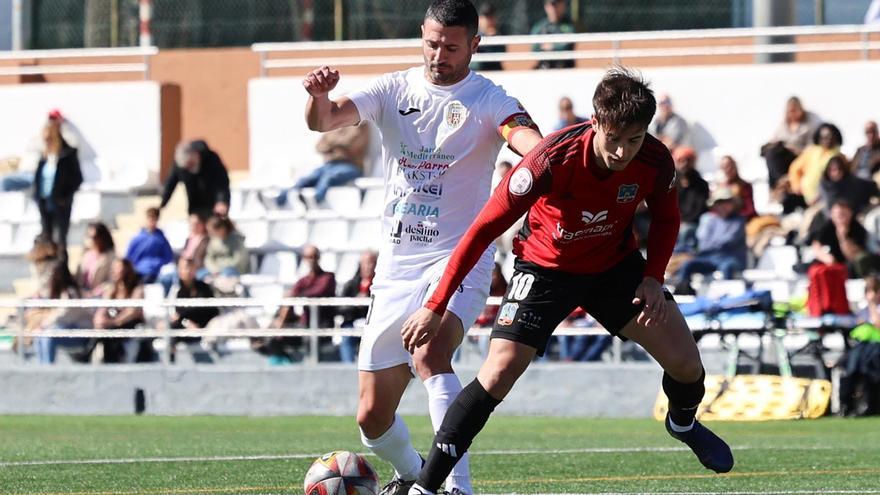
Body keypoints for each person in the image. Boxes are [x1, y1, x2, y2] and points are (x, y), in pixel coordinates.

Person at [400, 68, 734, 495]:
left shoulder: (654, 158)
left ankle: (682, 422)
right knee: (499, 371)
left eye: (633, 140)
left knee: (688, 365)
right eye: (614, 139)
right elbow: (481, 230)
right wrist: (435, 305)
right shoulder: (548, 161)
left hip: (614, 267)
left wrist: (653, 277)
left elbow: (668, 217)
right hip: (544, 271)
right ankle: (426, 488)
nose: (622, 152)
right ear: (595, 122)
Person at [301, 1, 543, 493]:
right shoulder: (394, 88)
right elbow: (324, 121)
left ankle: (456, 487)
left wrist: (542, 154)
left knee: (431, 350)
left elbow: (527, 140)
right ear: (422, 36)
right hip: (397, 263)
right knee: (371, 417)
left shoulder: (488, 98)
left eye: (452, 47)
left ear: (475, 45)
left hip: (460, 258)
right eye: (432, 43)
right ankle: (413, 475)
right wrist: (318, 97)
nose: (439, 55)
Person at [254, 245, 337, 364]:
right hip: (304, 325)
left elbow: (316, 294)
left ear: (319, 258)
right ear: (304, 259)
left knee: (309, 340)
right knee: (273, 340)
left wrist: (294, 296)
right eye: (308, 257)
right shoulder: (303, 280)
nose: (311, 260)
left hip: (321, 326)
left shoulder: (328, 278)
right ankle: (289, 360)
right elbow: (291, 296)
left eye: (314, 256)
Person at [277, 122, 370, 206]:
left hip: (350, 166)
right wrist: (339, 144)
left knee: (328, 177)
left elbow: (353, 143)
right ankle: (279, 199)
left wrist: (331, 143)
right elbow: (319, 146)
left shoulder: (361, 124)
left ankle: (314, 199)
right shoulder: (333, 124)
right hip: (329, 165)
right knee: (306, 179)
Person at [674, 188, 747, 295]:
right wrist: (709, 245)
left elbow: (728, 240)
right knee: (687, 265)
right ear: (715, 205)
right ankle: (683, 293)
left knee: (727, 267)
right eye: (720, 202)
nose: (724, 205)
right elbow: (704, 242)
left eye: (727, 201)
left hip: (730, 258)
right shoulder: (709, 219)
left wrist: (708, 245)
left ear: (733, 204)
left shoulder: (739, 220)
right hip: (709, 257)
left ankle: (727, 298)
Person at [33, 113, 83, 260]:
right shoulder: (44, 157)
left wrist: (65, 197)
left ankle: (62, 272)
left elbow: (77, 179)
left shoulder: (67, 155)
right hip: (45, 202)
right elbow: (39, 179)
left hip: (60, 204)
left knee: (61, 239)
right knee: (47, 237)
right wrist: (38, 197)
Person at [35, 261, 94, 364]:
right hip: (66, 330)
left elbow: (64, 316)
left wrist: (45, 323)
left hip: (82, 334)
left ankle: (48, 368)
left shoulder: (71, 293)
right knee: (39, 335)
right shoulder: (60, 293)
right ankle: (42, 369)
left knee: (49, 336)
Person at [92, 259, 147, 363]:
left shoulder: (137, 289)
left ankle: (88, 354)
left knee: (109, 333)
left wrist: (112, 322)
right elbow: (102, 309)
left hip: (131, 325)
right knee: (102, 334)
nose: (114, 271)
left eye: (118, 269)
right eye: (114, 269)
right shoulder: (111, 289)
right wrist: (99, 321)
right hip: (113, 326)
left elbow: (132, 312)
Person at [159, 140, 231, 218]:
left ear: (196, 155)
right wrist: (162, 204)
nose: (189, 169)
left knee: (214, 225)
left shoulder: (212, 159)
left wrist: (222, 201)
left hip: (213, 204)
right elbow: (170, 184)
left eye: (190, 164)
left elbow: (222, 182)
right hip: (194, 205)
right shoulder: (179, 164)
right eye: (186, 167)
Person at [810, 200, 880, 279]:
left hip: (848, 264)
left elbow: (853, 255)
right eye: (837, 215)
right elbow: (816, 245)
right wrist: (827, 258)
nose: (840, 218)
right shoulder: (828, 227)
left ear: (850, 213)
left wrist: (843, 238)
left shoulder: (857, 228)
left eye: (843, 215)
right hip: (831, 261)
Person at [761, 96, 821, 189]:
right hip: (785, 158)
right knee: (771, 152)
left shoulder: (811, 121)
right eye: (790, 111)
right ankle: (780, 182)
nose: (793, 114)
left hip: (803, 156)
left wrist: (797, 150)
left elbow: (815, 144)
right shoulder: (784, 125)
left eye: (795, 110)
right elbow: (775, 139)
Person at [169, 257, 219, 363]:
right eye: (183, 268)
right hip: (186, 327)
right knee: (173, 327)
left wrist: (197, 325)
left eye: (189, 268)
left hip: (204, 327)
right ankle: (171, 359)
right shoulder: (177, 290)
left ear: (195, 269)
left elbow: (211, 311)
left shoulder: (204, 288)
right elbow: (177, 314)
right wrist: (187, 323)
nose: (186, 271)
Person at [337, 250, 379, 363]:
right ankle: (348, 366)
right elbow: (339, 308)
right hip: (353, 323)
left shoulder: (381, 286)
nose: (368, 267)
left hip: (374, 324)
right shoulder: (351, 285)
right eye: (365, 263)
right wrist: (355, 304)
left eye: (371, 263)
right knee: (347, 335)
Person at [788, 122, 843, 206]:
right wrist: (796, 185)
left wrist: (819, 196)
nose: (828, 140)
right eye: (824, 137)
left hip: (822, 198)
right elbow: (795, 168)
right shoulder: (812, 151)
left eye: (831, 137)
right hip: (803, 194)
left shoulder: (839, 157)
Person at [673, 146, 709, 253]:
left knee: (686, 230)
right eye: (681, 160)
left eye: (688, 160)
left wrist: (682, 222)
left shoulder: (701, 184)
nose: (684, 164)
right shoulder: (671, 182)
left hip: (692, 223)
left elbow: (699, 209)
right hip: (674, 221)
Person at [125, 207, 174, 284]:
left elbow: (168, 256)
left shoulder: (161, 239)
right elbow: (129, 256)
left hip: (152, 271)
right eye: (150, 218)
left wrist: (157, 263)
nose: (151, 222)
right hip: (136, 270)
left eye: (154, 219)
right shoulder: (137, 238)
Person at [531, 0, 575, 69]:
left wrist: (552, 46)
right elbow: (535, 47)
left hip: (564, 68)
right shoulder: (540, 26)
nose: (555, 8)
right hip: (544, 68)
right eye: (552, 4)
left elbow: (567, 44)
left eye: (558, 3)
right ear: (546, 7)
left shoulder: (569, 25)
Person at [75, 222, 116, 297]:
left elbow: (111, 281)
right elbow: (78, 278)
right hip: (82, 295)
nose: (92, 240)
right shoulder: (85, 255)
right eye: (89, 236)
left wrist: (95, 292)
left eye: (94, 237)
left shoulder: (111, 257)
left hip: (101, 296)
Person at [203, 216, 250, 280]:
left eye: (212, 231)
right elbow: (209, 258)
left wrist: (220, 268)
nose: (210, 233)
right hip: (216, 269)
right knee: (200, 275)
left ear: (222, 229)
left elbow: (239, 260)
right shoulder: (214, 241)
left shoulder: (236, 240)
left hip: (234, 270)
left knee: (226, 276)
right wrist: (213, 268)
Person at [716, 156, 756, 220]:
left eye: (730, 166)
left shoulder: (744, 186)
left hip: (740, 220)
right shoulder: (718, 187)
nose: (728, 170)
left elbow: (750, 209)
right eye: (725, 167)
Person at [469, 3, 504, 72]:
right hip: (477, 71)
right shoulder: (473, 35)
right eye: (486, 17)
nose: (488, 21)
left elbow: (499, 55)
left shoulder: (499, 35)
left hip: (495, 71)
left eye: (491, 17)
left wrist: (492, 36)